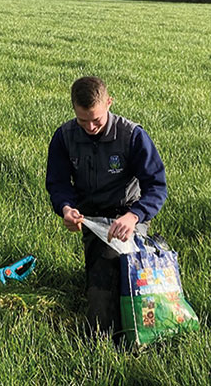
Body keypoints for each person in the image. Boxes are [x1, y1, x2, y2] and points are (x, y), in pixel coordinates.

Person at [45, 76, 167, 338]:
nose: (90, 127)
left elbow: (157, 186)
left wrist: (134, 216)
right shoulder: (64, 137)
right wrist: (66, 208)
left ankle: (143, 332)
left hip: (128, 217)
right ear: (73, 109)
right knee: (102, 308)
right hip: (91, 219)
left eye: (96, 120)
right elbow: (57, 182)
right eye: (82, 120)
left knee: (133, 284)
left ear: (109, 103)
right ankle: (102, 335)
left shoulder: (132, 136)